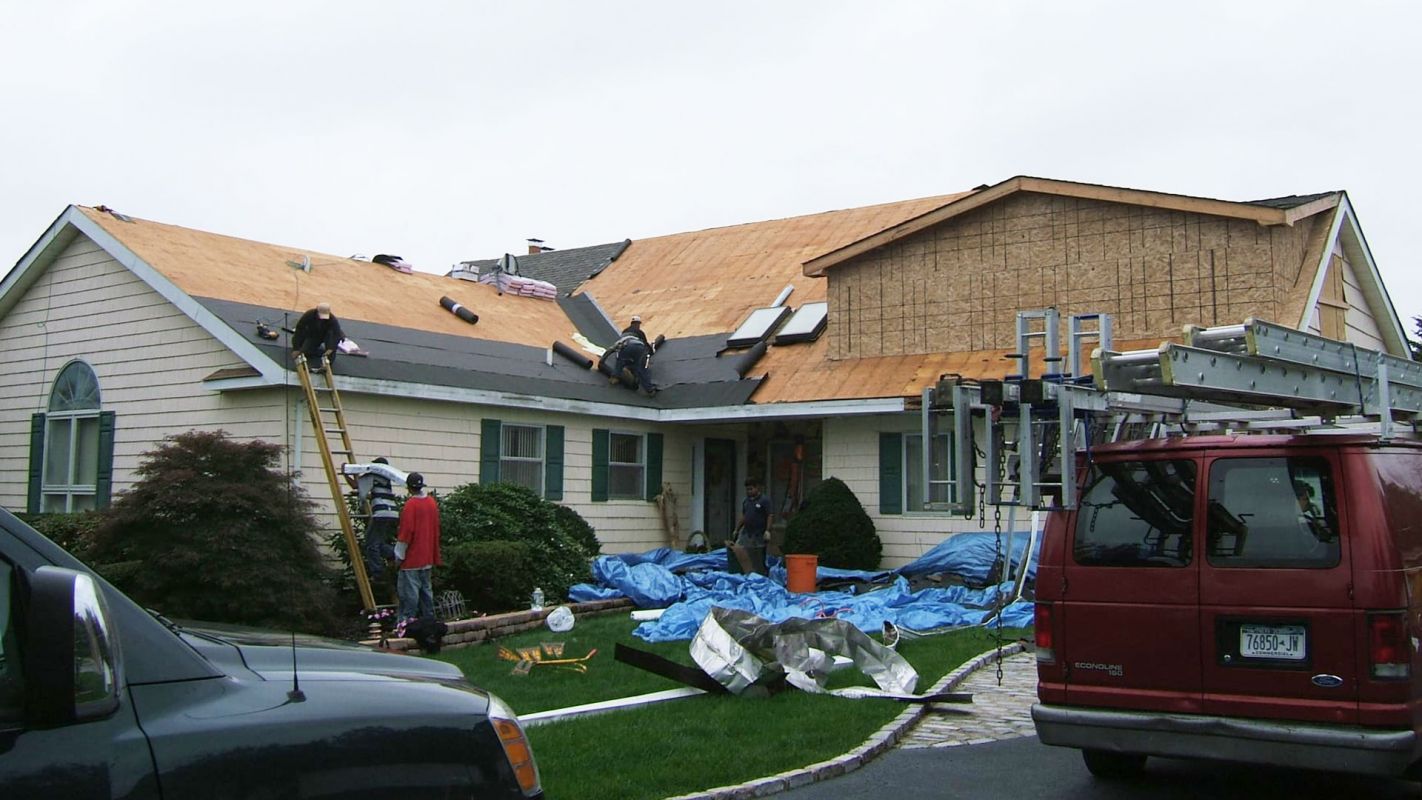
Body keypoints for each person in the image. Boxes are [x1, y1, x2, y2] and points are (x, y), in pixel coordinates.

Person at [395, 472, 442, 623]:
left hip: (412, 558)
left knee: (410, 593)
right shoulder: (431, 503)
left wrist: (399, 555)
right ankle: (429, 621)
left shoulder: (411, 505)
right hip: (427, 556)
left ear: (408, 488)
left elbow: (406, 532)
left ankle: (406, 622)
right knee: (426, 591)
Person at [357, 457, 399, 579]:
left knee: (371, 545)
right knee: (378, 543)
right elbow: (377, 494)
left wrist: (346, 475)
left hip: (381, 514)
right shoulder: (387, 478)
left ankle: (378, 573)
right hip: (392, 513)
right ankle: (392, 554)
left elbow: (357, 485)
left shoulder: (372, 476)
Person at [609, 315, 658, 395]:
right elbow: (646, 345)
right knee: (641, 367)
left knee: (620, 361)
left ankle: (615, 377)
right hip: (639, 347)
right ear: (637, 324)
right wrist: (650, 352)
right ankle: (649, 390)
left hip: (625, 346)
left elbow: (619, 344)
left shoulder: (624, 331)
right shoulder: (639, 332)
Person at [735, 478, 773, 573]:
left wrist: (767, 530)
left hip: (759, 533)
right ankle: (748, 572)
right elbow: (744, 516)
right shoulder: (746, 501)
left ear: (757, 488)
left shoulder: (764, 500)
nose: (749, 491)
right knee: (745, 553)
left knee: (759, 556)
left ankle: (761, 573)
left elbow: (770, 515)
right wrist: (737, 529)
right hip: (747, 533)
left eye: (751, 489)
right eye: (747, 489)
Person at [292, 301, 344, 371]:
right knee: (306, 351)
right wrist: (296, 348)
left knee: (331, 347)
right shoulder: (309, 315)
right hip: (314, 335)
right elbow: (299, 330)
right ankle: (318, 350)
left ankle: (327, 364)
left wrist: (331, 348)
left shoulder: (332, 320)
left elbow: (336, 335)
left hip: (327, 335)